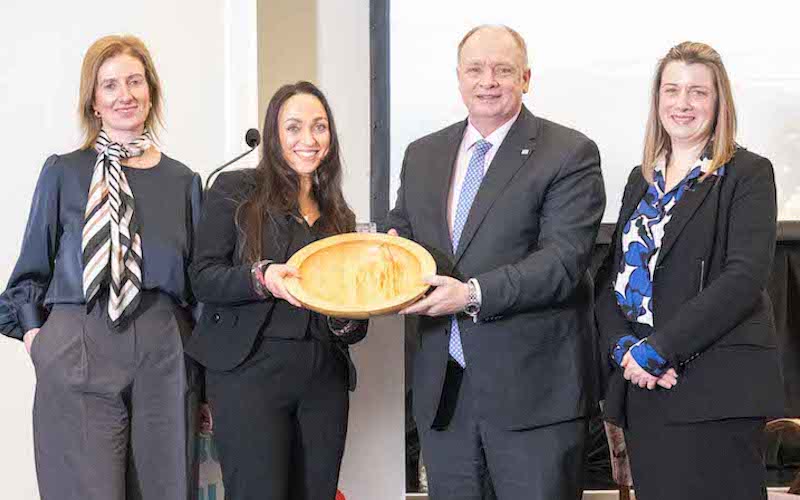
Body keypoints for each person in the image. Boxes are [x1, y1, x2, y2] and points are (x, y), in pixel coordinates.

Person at [384, 25, 605, 500]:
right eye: (475, 70)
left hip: (534, 399)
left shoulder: (568, 152)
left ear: (525, 78)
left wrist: (471, 295)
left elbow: (563, 262)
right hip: (446, 396)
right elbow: (401, 239)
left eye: (503, 70)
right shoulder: (422, 154)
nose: (488, 81)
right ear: (458, 78)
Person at [0, 35, 202, 499]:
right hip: (78, 342)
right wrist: (39, 341)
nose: (124, 95)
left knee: (165, 488)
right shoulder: (64, 172)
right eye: (109, 85)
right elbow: (29, 273)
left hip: (164, 351)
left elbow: (198, 288)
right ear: (93, 100)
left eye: (134, 81)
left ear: (151, 91)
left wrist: (204, 379)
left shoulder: (183, 181)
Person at [595, 41, 784, 500]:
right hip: (646, 389)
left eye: (698, 92)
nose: (682, 103)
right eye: (671, 90)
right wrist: (627, 351)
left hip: (713, 391)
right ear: (657, 99)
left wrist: (657, 352)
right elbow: (615, 278)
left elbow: (743, 279)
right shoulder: (641, 180)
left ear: (719, 103)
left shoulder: (748, 174)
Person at [186, 81, 368, 500]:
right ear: (273, 135)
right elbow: (203, 276)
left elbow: (354, 324)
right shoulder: (234, 190)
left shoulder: (341, 216)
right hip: (249, 371)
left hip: (323, 375)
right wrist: (261, 277)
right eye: (294, 127)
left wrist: (347, 317)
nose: (309, 139)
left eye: (320, 127)